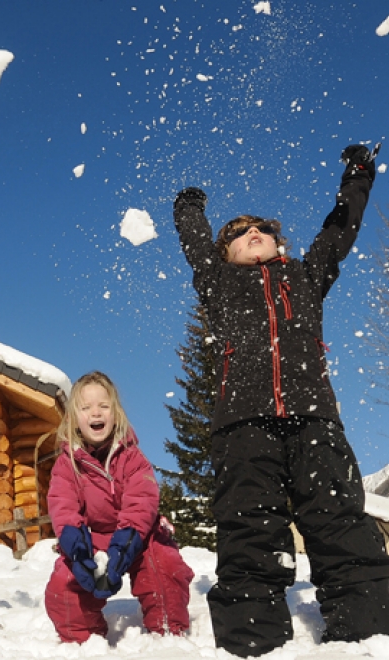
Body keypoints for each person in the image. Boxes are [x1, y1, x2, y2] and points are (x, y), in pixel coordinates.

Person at [173, 144, 389, 657]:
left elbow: (339, 233)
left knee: (341, 525)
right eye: (237, 233)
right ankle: (253, 644)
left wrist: (359, 174)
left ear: (279, 246)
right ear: (223, 253)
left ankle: (368, 636)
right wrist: (188, 208)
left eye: (262, 230)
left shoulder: (306, 277)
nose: (252, 233)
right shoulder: (218, 282)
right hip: (243, 426)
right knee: (249, 532)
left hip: (314, 420)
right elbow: (196, 242)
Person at [45, 371, 194, 643]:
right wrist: (78, 551)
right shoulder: (67, 466)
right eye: (86, 407)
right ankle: (85, 640)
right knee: (63, 586)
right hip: (92, 540)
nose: (96, 413)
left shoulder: (133, 458)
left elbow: (141, 503)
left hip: (138, 536)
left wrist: (124, 545)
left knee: (166, 566)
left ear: (116, 413)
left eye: (104, 406)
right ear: (73, 418)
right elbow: (62, 507)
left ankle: (168, 632)